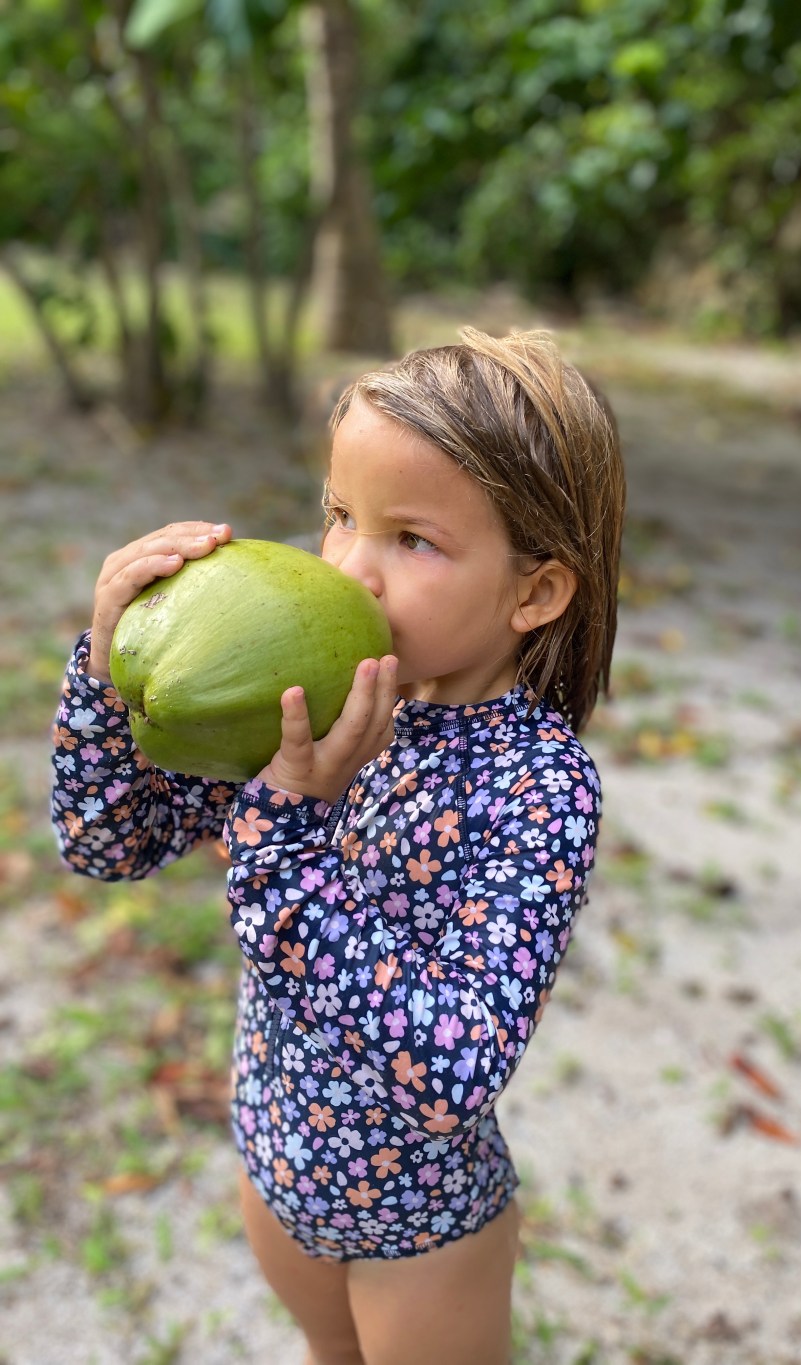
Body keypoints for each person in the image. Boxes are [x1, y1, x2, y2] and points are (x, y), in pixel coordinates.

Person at [51, 328, 626, 1365]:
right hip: (274, 1168)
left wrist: (286, 829)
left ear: (534, 592)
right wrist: (108, 671)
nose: (352, 568)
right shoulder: (307, 702)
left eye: (412, 539)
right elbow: (107, 841)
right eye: (339, 516)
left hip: (418, 1230)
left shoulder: (537, 787)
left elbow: (455, 1066)